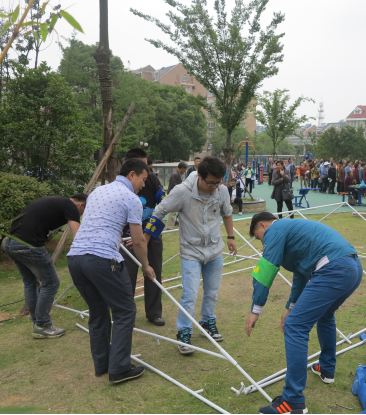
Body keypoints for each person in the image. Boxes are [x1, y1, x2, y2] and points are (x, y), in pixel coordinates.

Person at [245, 212, 363, 415]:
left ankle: (292, 401)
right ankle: (326, 369)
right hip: (352, 267)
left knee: (296, 326)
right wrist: (289, 307)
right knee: (325, 315)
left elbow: (266, 267)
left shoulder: (275, 230)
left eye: (258, 238)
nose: (262, 243)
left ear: (263, 226)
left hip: (333, 268)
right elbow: (301, 275)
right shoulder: (294, 233)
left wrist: (256, 309)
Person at [67, 159, 156, 383]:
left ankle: (103, 365)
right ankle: (119, 368)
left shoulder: (98, 192)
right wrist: (145, 265)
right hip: (102, 259)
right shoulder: (131, 198)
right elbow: (138, 241)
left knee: (98, 312)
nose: (143, 185)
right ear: (132, 174)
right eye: (143, 180)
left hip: (76, 258)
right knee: (125, 310)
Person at [147, 156, 238, 354]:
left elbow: (227, 212)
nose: (215, 186)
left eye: (219, 181)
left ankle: (207, 322)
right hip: (190, 252)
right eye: (211, 182)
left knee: (212, 292)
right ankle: (184, 332)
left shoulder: (221, 190)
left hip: (214, 250)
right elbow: (159, 211)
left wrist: (230, 236)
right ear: (200, 177)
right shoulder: (182, 192)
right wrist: (147, 236)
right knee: (189, 294)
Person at [6, 193, 87, 339]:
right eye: (83, 211)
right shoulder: (71, 206)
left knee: (30, 283)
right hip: (29, 244)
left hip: (11, 243)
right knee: (51, 282)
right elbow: (78, 235)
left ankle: (37, 322)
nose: (80, 215)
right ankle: (43, 324)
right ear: (82, 205)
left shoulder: (55, 201)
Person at [122, 148, 167, 327]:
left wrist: (149, 233)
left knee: (153, 273)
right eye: (142, 164)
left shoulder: (152, 179)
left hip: (152, 234)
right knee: (127, 276)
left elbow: (165, 204)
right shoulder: (118, 185)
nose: (146, 169)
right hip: (127, 238)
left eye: (146, 164)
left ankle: (154, 313)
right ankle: (126, 315)